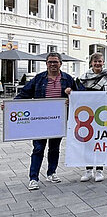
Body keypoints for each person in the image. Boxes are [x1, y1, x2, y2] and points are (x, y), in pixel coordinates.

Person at [16, 52, 78, 190]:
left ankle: (51, 173)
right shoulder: (39, 78)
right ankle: (33, 178)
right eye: (50, 62)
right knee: (38, 148)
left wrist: (71, 95)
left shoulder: (68, 79)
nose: (52, 64)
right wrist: (10, 105)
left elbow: (80, 95)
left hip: (58, 120)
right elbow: (25, 93)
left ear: (60, 63)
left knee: (54, 148)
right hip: (41, 120)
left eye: (55, 62)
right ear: (46, 63)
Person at [69, 52, 107, 183]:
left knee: (101, 142)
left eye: (100, 61)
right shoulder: (83, 78)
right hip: (88, 115)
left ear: (103, 62)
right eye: (95, 61)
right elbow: (79, 95)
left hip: (104, 113)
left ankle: (100, 170)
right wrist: (71, 93)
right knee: (88, 142)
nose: (97, 64)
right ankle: (88, 169)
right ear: (91, 63)